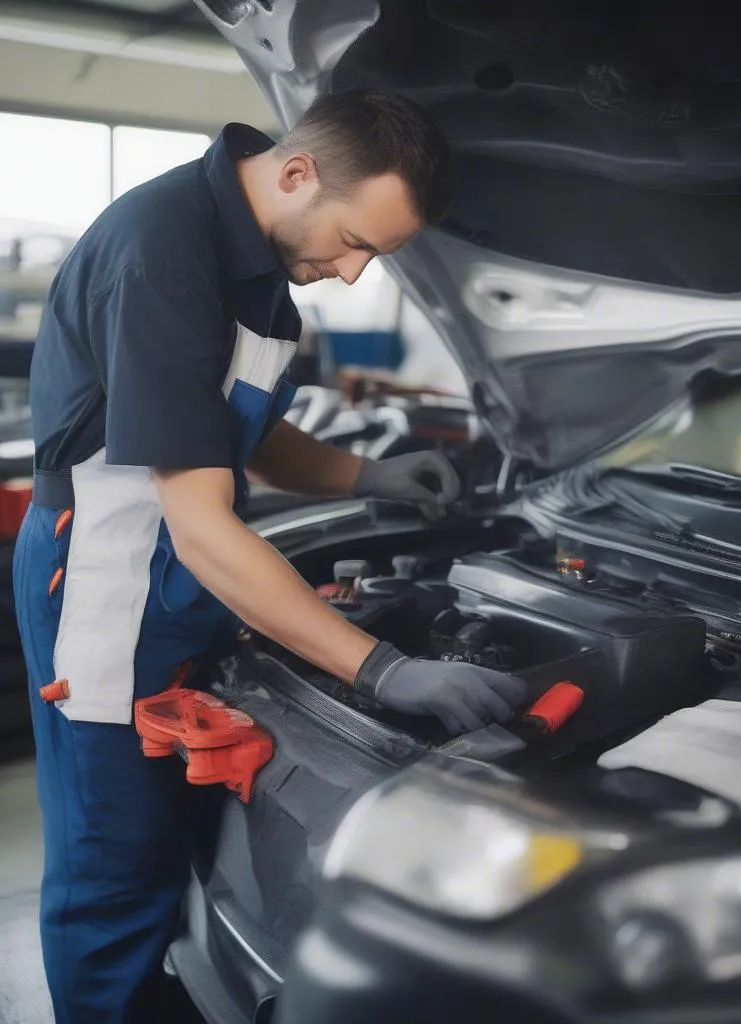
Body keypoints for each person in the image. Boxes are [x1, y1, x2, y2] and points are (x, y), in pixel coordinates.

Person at [15, 89, 527, 1024]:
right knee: (112, 866)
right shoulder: (163, 252)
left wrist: (369, 477)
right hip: (104, 573)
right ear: (296, 174)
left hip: (171, 573)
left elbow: (230, 430)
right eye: (356, 242)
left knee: (167, 841)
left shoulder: (257, 263)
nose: (352, 272)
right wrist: (382, 668)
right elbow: (204, 523)